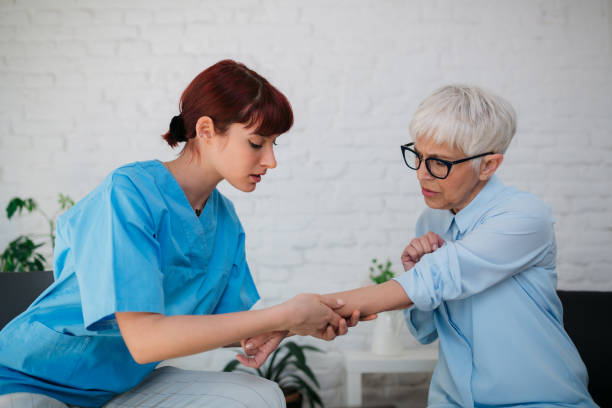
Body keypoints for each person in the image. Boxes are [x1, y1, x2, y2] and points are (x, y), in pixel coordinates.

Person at [0, 60, 364, 408]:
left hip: (117, 386)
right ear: (205, 131)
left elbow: (221, 328)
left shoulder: (226, 222)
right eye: (257, 143)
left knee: (258, 395)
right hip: (31, 377)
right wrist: (283, 315)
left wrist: (297, 323)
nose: (271, 161)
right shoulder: (128, 192)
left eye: (274, 144)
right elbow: (144, 342)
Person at [245, 85, 597, 407]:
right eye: (418, 155)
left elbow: (437, 279)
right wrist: (416, 274)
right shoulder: (432, 222)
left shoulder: (524, 217)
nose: (422, 173)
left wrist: (290, 321)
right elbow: (425, 330)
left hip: (539, 400)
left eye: (439, 162)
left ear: (488, 165)